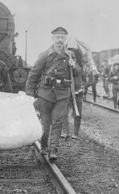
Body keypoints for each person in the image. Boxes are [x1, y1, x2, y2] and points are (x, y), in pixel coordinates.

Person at [25, 27, 81, 162]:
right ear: (52, 38)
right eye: (57, 37)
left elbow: (78, 72)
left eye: (62, 37)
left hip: (63, 93)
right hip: (46, 93)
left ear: (65, 39)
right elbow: (34, 74)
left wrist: (74, 66)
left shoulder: (70, 55)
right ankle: (44, 144)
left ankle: (53, 149)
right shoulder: (45, 54)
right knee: (46, 122)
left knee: (57, 121)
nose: (60, 40)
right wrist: (29, 93)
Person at [61, 37, 84, 140]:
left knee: (77, 113)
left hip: (77, 92)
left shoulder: (77, 65)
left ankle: (76, 133)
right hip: (66, 91)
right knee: (64, 112)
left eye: (73, 51)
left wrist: (73, 65)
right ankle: (65, 132)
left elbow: (77, 71)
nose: (72, 52)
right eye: (70, 50)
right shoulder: (62, 63)